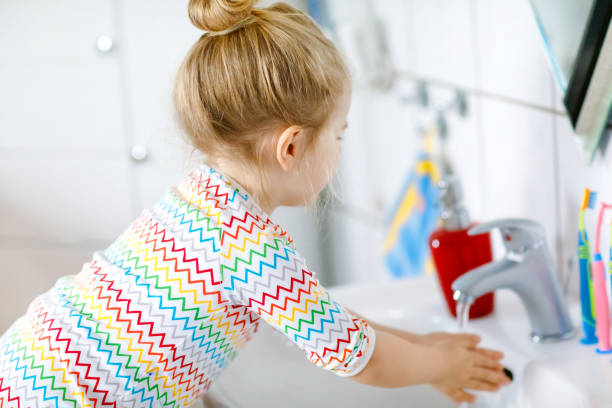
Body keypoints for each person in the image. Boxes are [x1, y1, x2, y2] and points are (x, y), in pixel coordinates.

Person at [0, 1, 511, 406]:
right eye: (340, 134)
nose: (340, 150)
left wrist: (425, 347)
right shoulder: (252, 246)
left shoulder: (198, 202)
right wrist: (440, 368)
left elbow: (322, 315)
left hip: (28, 369)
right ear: (291, 147)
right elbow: (357, 358)